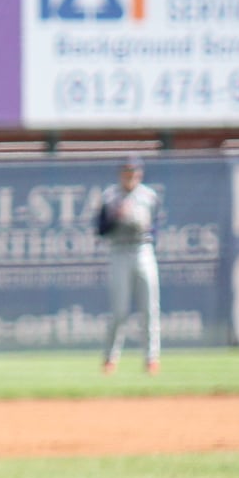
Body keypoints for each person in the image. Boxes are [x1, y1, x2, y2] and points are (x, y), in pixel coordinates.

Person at [97, 154, 162, 375]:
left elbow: (157, 228)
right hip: (119, 251)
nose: (130, 176)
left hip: (142, 249)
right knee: (119, 311)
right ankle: (110, 358)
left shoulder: (148, 196)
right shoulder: (110, 196)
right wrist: (117, 217)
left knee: (150, 309)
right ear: (120, 174)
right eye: (126, 172)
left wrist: (144, 225)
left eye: (133, 172)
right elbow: (101, 229)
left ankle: (152, 359)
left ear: (139, 174)